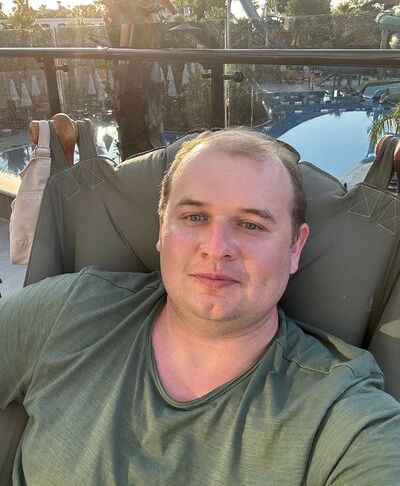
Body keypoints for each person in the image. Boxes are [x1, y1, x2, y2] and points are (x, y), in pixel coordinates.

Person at [1, 128, 400, 485]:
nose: (216, 248)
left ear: (296, 247)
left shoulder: (340, 412)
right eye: (194, 217)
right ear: (162, 229)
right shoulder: (67, 311)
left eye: (251, 224)